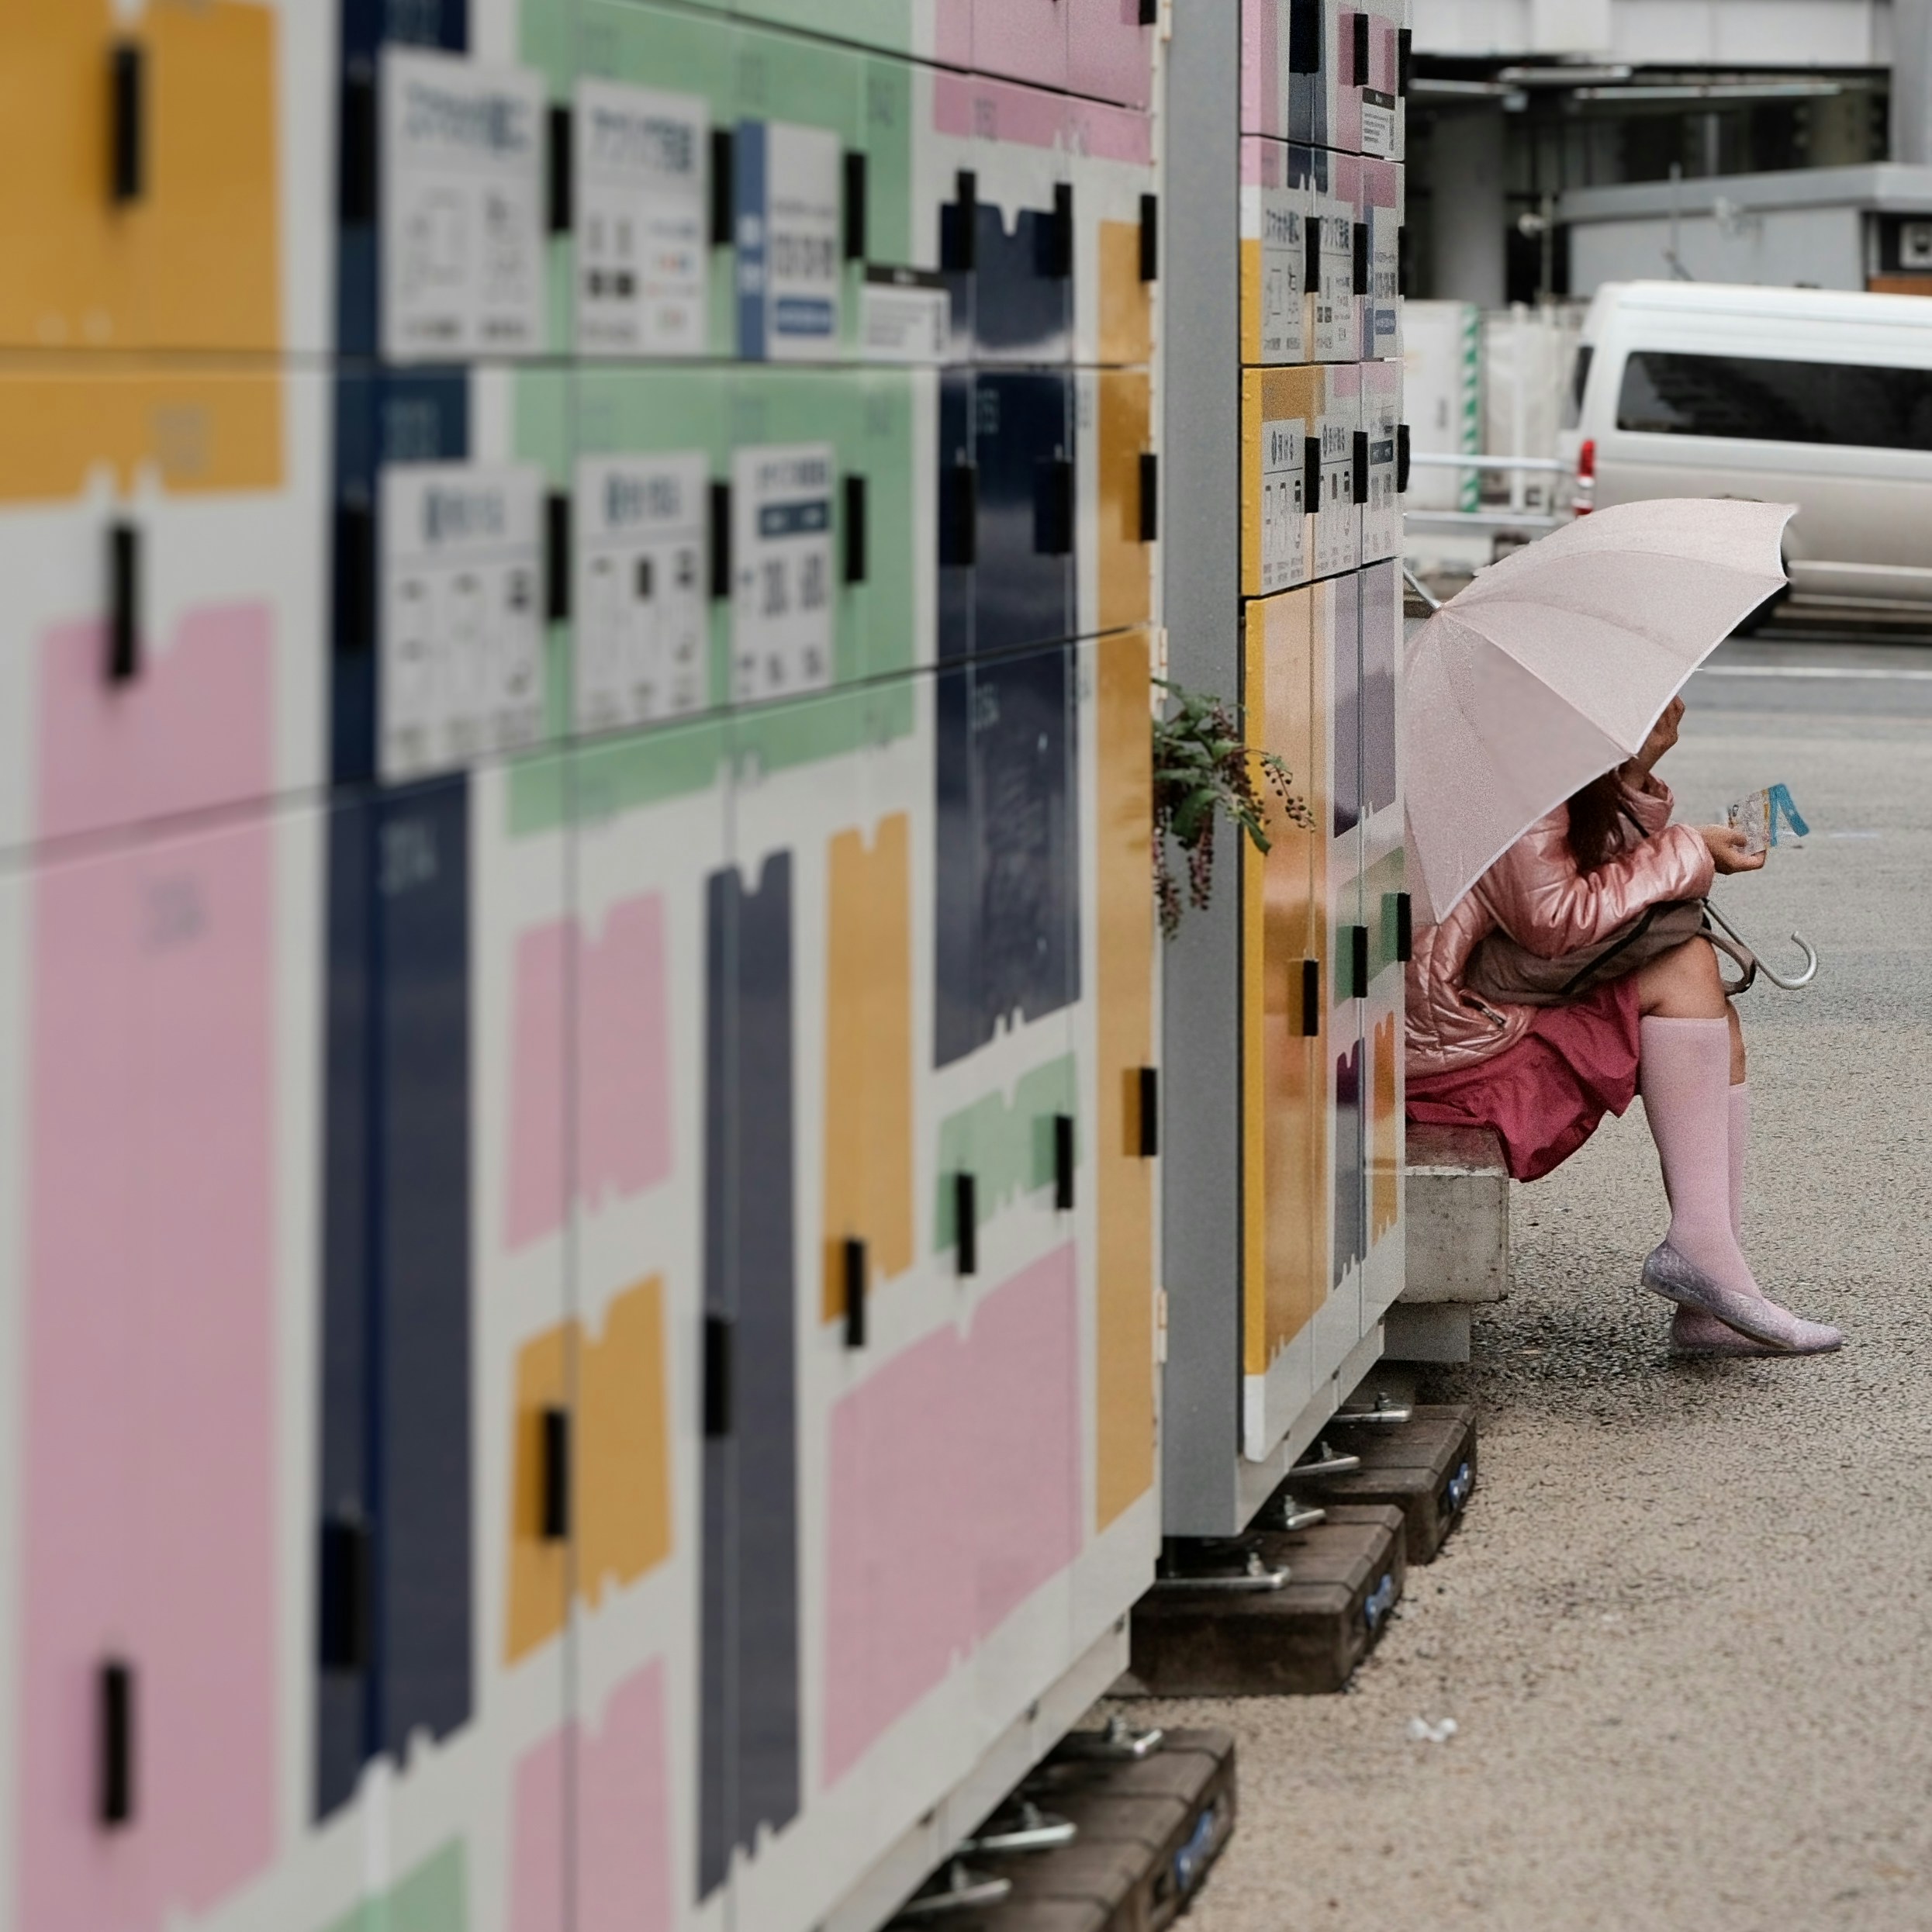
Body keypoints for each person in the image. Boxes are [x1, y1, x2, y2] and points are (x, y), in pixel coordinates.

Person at [1405, 696, 1840, 1357]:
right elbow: (1556, 919)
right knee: (1687, 968)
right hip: (1453, 1033)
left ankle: (1713, 1283)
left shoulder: (1537, 739)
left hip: (1475, 992)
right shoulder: (1517, 762)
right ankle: (1705, 1262)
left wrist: (1634, 773)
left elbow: (1582, 866)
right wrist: (1685, 847)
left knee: (1705, 999)